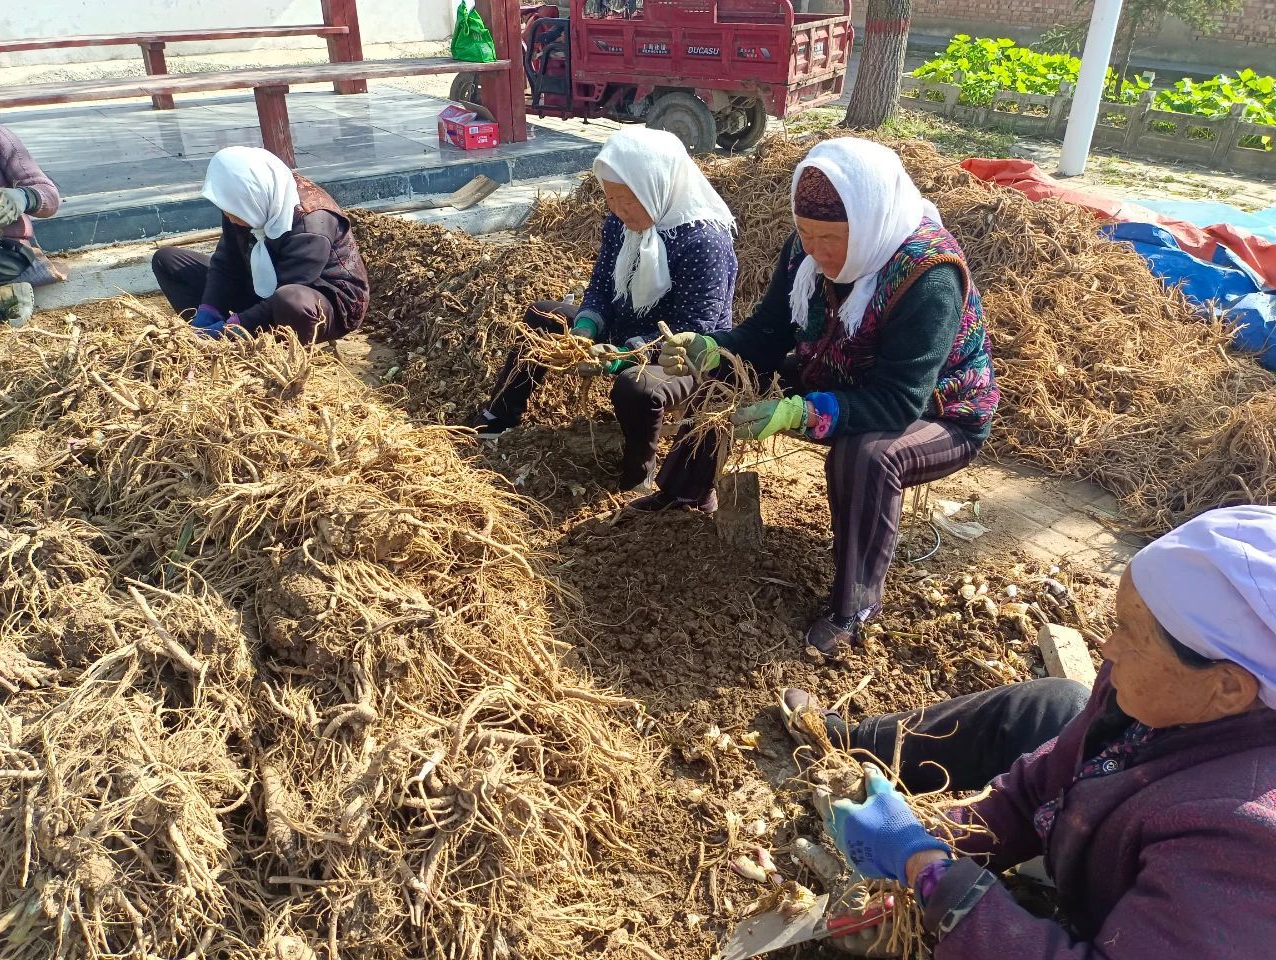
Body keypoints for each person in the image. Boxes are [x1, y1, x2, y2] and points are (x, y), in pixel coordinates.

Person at [783, 504, 1276, 960]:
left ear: (1229, 687)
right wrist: (931, 844)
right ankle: (853, 742)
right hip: (1098, 838)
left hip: (1130, 931)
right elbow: (1034, 789)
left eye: (1130, 634)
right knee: (1057, 702)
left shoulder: (1245, 841)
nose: (1107, 647)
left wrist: (932, 874)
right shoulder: (1162, 693)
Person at [645, 137, 999, 654]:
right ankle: (685, 488)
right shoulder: (805, 253)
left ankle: (855, 605)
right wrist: (709, 349)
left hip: (939, 411)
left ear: (870, 221)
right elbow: (766, 337)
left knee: (868, 455)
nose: (816, 251)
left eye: (831, 238)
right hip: (836, 377)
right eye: (805, 234)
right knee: (727, 377)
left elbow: (899, 401)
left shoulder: (929, 274)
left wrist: (797, 411)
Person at [468, 127, 737, 490]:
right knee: (542, 315)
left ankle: (638, 476)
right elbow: (600, 286)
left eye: (628, 199)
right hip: (623, 331)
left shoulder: (703, 240)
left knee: (636, 387)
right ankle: (499, 416)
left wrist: (624, 356)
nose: (618, 209)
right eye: (611, 198)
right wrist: (586, 327)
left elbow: (694, 327)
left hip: (683, 356)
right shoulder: (620, 224)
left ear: (656, 187)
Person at [152, 146, 369, 343]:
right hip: (259, 286)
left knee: (289, 301)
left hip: (319, 305)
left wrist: (233, 328)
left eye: (231, 210)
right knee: (168, 261)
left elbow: (281, 294)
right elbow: (226, 263)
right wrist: (209, 308)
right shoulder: (245, 203)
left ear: (253, 196)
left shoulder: (311, 223)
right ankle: (202, 339)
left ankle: (258, 344)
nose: (228, 216)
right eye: (226, 208)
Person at [0, 122, 62, 326]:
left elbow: (50, 196)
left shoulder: (0, 138)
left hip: (4, 248)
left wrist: (24, 197)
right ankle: (4, 299)